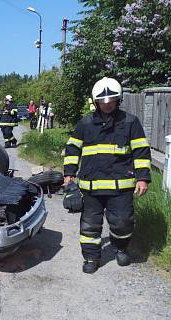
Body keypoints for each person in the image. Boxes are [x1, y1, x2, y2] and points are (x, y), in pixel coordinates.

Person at [63, 77, 151, 274]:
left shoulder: (130, 122)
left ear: (118, 100)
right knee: (89, 226)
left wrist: (143, 178)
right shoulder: (85, 123)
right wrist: (69, 175)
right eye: (102, 101)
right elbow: (72, 149)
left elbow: (141, 152)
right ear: (96, 102)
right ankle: (91, 258)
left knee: (122, 223)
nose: (106, 104)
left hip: (121, 189)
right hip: (91, 189)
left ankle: (121, 248)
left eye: (111, 100)